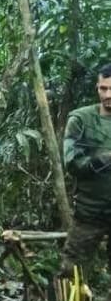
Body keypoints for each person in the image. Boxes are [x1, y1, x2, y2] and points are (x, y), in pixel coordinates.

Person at [61, 64, 111, 278]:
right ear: (96, 88)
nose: (108, 95)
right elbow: (72, 164)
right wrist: (104, 158)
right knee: (71, 273)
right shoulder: (81, 120)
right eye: (103, 89)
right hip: (90, 212)